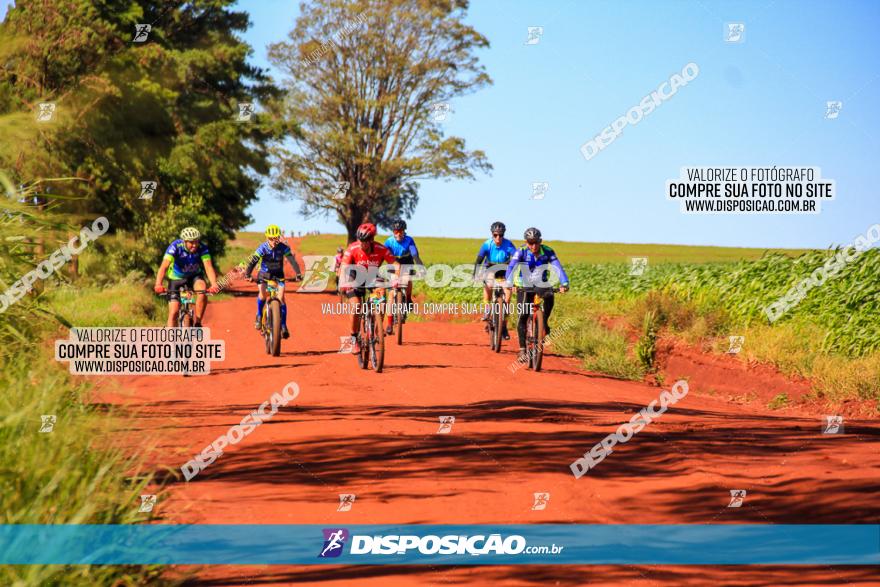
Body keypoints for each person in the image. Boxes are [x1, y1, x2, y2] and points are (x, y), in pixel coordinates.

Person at [505, 227, 570, 362]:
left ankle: (543, 323)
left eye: (536, 242)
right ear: (526, 242)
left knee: (550, 296)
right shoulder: (521, 251)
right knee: (523, 315)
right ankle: (522, 349)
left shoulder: (547, 251)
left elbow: (557, 266)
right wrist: (510, 283)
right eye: (530, 242)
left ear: (540, 241)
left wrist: (564, 283)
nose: (533, 246)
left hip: (541, 282)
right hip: (523, 283)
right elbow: (511, 267)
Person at [339, 223, 400, 353]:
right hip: (354, 276)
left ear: (371, 240)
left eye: (365, 241)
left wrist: (396, 278)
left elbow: (395, 264)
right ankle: (354, 338)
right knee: (356, 307)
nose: (362, 244)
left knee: (381, 300)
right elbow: (343, 267)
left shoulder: (380, 249)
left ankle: (377, 331)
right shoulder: (353, 248)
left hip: (373, 276)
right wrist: (344, 282)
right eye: (360, 240)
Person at [243, 224, 303, 339]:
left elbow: (292, 260)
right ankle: (259, 315)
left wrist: (298, 274)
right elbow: (253, 261)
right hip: (264, 274)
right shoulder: (263, 248)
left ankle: (284, 326)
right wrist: (248, 274)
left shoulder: (283, 248)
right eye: (271, 238)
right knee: (263, 294)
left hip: (278, 275)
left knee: (281, 298)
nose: (274, 241)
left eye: (276, 238)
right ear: (267, 238)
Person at [153, 226, 220, 327]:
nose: (195, 245)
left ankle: (197, 322)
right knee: (174, 312)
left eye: (196, 241)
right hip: (176, 278)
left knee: (202, 290)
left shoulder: (202, 248)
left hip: (195, 276)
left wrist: (214, 284)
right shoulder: (175, 246)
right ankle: (171, 341)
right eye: (191, 242)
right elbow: (164, 267)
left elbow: (208, 267)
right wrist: (158, 284)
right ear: (184, 241)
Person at [473, 221, 517, 340]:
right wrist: (475, 273)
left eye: (501, 235)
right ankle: (487, 311)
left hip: (505, 269)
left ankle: (504, 327)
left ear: (504, 235)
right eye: (495, 235)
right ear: (492, 234)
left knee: (507, 298)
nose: (498, 238)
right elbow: (479, 260)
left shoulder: (508, 244)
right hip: (490, 268)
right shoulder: (487, 244)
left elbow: (517, 258)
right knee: (489, 285)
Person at [382, 219, 424, 335]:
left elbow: (415, 254)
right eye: (396, 231)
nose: (398, 234)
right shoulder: (389, 242)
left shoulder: (409, 240)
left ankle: (408, 299)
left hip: (407, 263)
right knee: (391, 294)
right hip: (394, 265)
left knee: (407, 279)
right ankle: (389, 323)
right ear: (393, 232)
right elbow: (382, 255)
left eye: (400, 231)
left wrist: (420, 266)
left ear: (404, 231)